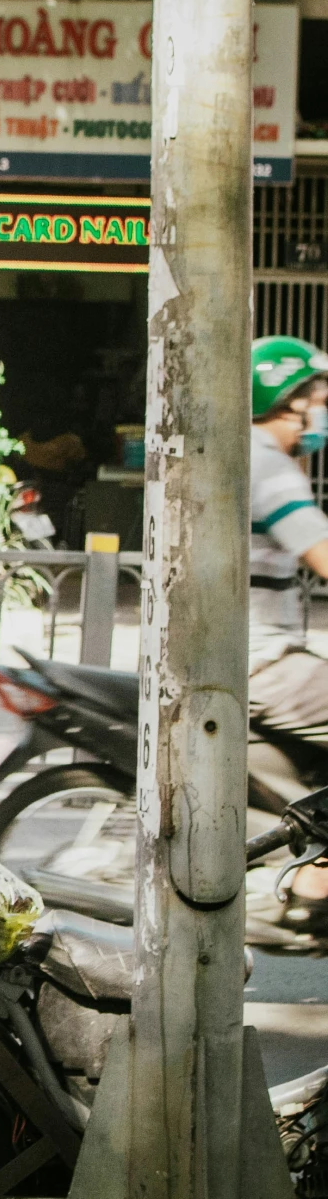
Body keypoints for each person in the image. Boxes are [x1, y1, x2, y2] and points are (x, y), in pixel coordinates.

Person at [246, 335, 328, 918]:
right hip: (264, 661)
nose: (322, 410)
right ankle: (311, 885)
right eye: (317, 398)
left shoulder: (255, 457)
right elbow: (320, 551)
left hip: (258, 654)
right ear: (288, 401)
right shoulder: (267, 466)